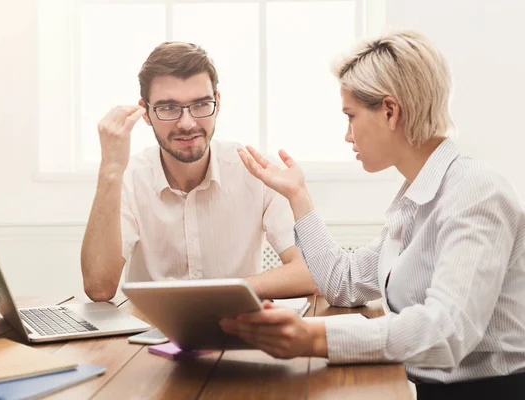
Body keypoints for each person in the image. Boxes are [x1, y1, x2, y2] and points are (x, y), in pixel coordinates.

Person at [220, 31, 525, 399]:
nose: (347, 136)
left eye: (351, 116)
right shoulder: (416, 198)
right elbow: (344, 283)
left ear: (390, 111)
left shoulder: (474, 192)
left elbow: (447, 331)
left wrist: (314, 337)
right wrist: (298, 195)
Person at [81, 42, 317, 303]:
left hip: (238, 331)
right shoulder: (129, 178)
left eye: (201, 104)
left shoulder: (255, 172)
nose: (187, 123)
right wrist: (110, 171)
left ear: (217, 102)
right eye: (169, 108)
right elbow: (99, 288)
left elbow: (311, 272)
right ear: (146, 112)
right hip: (146, 336)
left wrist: (215, 292)